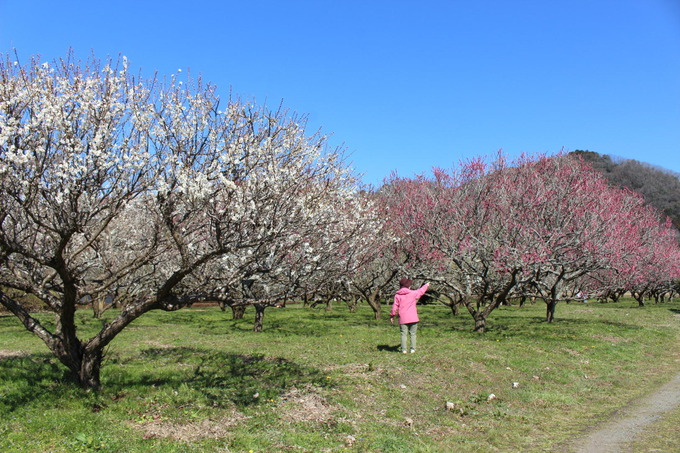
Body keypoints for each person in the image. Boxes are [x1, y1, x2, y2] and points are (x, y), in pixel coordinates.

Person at [390, 278, 429, 354]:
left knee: (403, 334)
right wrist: (426, 285)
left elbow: (395, 307)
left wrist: (392, 316)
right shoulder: (413, 293)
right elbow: (421, 291)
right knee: (413, 334)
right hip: (413, 317)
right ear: (408, 286)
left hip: (403, 318)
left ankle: (404, 350)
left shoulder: (397, 295)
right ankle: (412, 349)